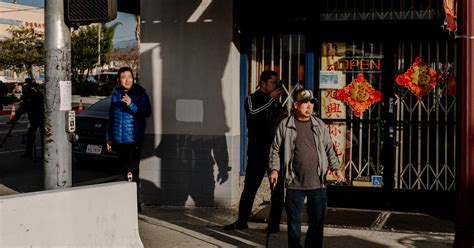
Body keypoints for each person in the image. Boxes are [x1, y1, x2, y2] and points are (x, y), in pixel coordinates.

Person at [268, 89, 345, 248]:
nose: (309, 106)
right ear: (296, 104)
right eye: (305, 103)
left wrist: (336, 168)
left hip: (318, 183)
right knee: (294, 222)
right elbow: (275, 149)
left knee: (317, 223)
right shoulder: (286, 125)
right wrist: (274, 169)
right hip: (294, 183)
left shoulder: (319, 124)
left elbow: (329, 148)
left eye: (311, 103)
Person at [224, 70, 285, 232]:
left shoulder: (276, 101)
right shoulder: (252, 98)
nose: (276, 85)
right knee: (250, 187)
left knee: (277, 190)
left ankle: (274, 225)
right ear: (263, 83)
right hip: (258, 151)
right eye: (273, 82)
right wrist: (271, 99)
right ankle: (242, 221)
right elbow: (253, 112)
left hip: (275, 152)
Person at [106, 67, 151, 212]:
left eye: (129, 77)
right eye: (123, 77)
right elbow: (111, 117)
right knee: (124, 172)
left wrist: (131, 104)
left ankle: (135, 205)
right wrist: (109, 138)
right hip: (119, 141)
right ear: (119, 80)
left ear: (133, 78)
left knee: (133, 173)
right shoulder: (116, 93)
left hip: (134, 140)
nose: (127, 80)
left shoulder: (140, 93)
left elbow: (147, 112)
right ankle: (127, 203)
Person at [11, 78, 44, 159]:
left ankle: (31, 151)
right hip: (38, 117)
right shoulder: (36, 93)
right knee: (33, 135)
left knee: (33, 135)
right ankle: (36, 151)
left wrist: (14, 120)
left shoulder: (32, 96)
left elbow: (20, 111)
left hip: (38, 117)